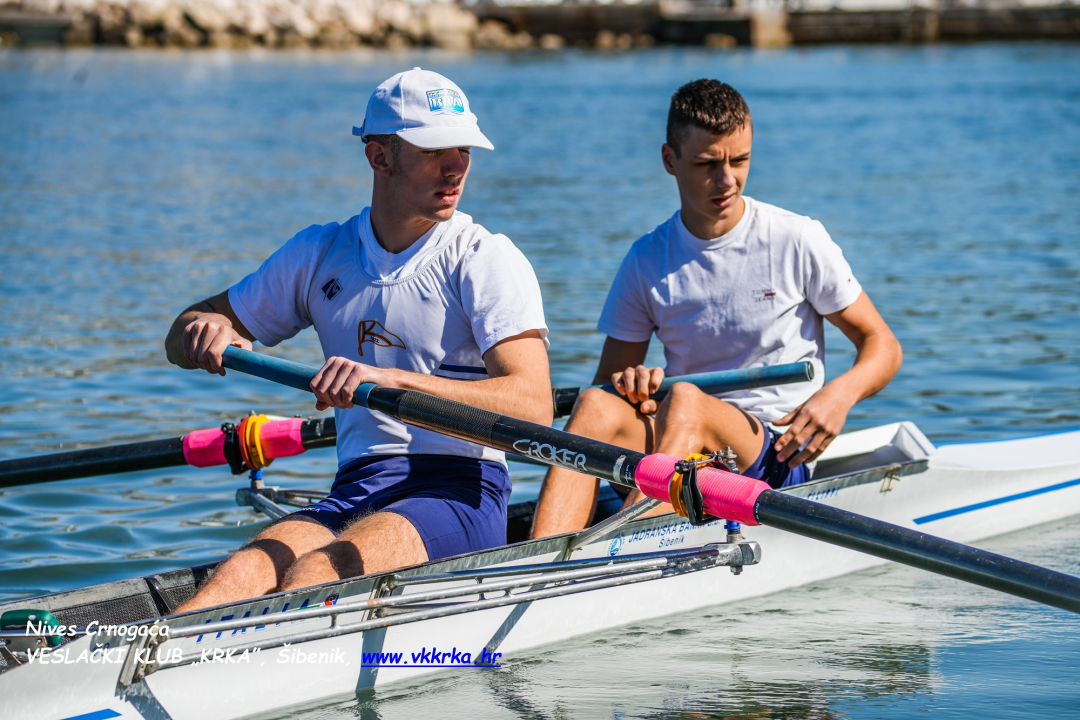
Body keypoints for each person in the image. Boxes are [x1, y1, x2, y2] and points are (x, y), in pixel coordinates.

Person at [165, 68, 551, 612]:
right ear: (379, 157)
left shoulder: (483, 259)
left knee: (315, 574)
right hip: (358, 486)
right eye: (435, 149)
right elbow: (180, 332)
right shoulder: (321, 253)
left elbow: (533, 407)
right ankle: (137, 670)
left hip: (460, 489)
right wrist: (204, 331)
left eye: (464, 148)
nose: (457, 165)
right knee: (245, 569)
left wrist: (391, 380)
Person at [531, 79, 902, 538]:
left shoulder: (797, 239)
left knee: (686, 398)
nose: (727, 180)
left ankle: (628, 545)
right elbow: (611, 387)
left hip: (773, 455)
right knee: (593, 405)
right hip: (682, 442)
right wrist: (634, 384)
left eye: (739, 160)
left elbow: (882, 345)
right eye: (707, 164)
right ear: (670, 160)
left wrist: (838, 397)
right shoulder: (647, 259)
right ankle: (540, 556)